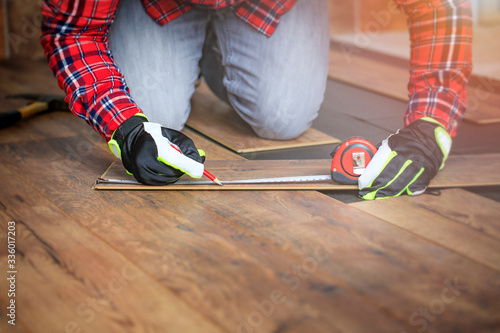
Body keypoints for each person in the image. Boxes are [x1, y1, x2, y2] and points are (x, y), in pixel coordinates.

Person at [40, 0, 472, 199]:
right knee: (156, 113)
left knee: (284, 115)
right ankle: (196, 45)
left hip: (270, 5)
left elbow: (441, 6)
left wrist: (430, 123)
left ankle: (215, 54)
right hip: (157, 6)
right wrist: (126, 125)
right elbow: (71, 30)